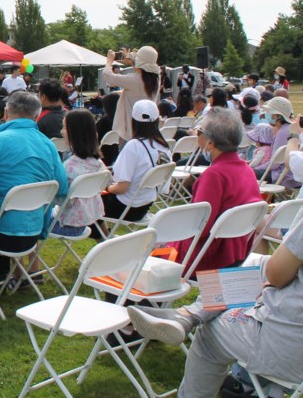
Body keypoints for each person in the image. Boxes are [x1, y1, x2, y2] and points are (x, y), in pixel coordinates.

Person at [128, 209, 303, 398]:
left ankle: (188, 316)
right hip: (234, 250)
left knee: (210, 334)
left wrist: (278, 280)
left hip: (287, 345)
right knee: (256, 263)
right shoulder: (245, 178)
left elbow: (203, 221)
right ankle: (188, 314)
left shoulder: (216, 177)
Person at [0, 90, 68, 285]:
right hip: (34, 231)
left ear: (7, 113)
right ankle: (15, 274)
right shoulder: (48, 145)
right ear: (37, 116)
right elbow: (62, 188)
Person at [166, 108, 263, 273]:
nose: (197, 136)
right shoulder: (246, 169)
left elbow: (200, 227)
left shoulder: (215, 175)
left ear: (210, 143)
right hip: (236, 253)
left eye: (199, 132)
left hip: (207, 258)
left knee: (136, 264)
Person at [91, 99, 170, 239]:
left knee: (89, 203)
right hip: (145, 204)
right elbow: (164, 188)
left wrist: (107, 188)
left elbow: (122, 187)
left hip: (126, 206)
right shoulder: (164, 147)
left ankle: (105, 242)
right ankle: (106, 238)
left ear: (133, 121)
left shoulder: (134, 146)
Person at [51, 109, 106, 237]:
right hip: (87, 219)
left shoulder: (69, 167)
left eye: (64, 128)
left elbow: (64, 201)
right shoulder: (98, 163)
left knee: (32, 220)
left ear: (74, 133)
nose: (61, 132)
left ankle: (31, 257)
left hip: (66, 224)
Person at [102, 46, 161, 142]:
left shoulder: (134, 80)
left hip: (130, 131)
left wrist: (109, 61)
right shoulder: (156, 79)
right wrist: (131, 58)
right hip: (149, 130)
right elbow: (144, 69)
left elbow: (108, 77)